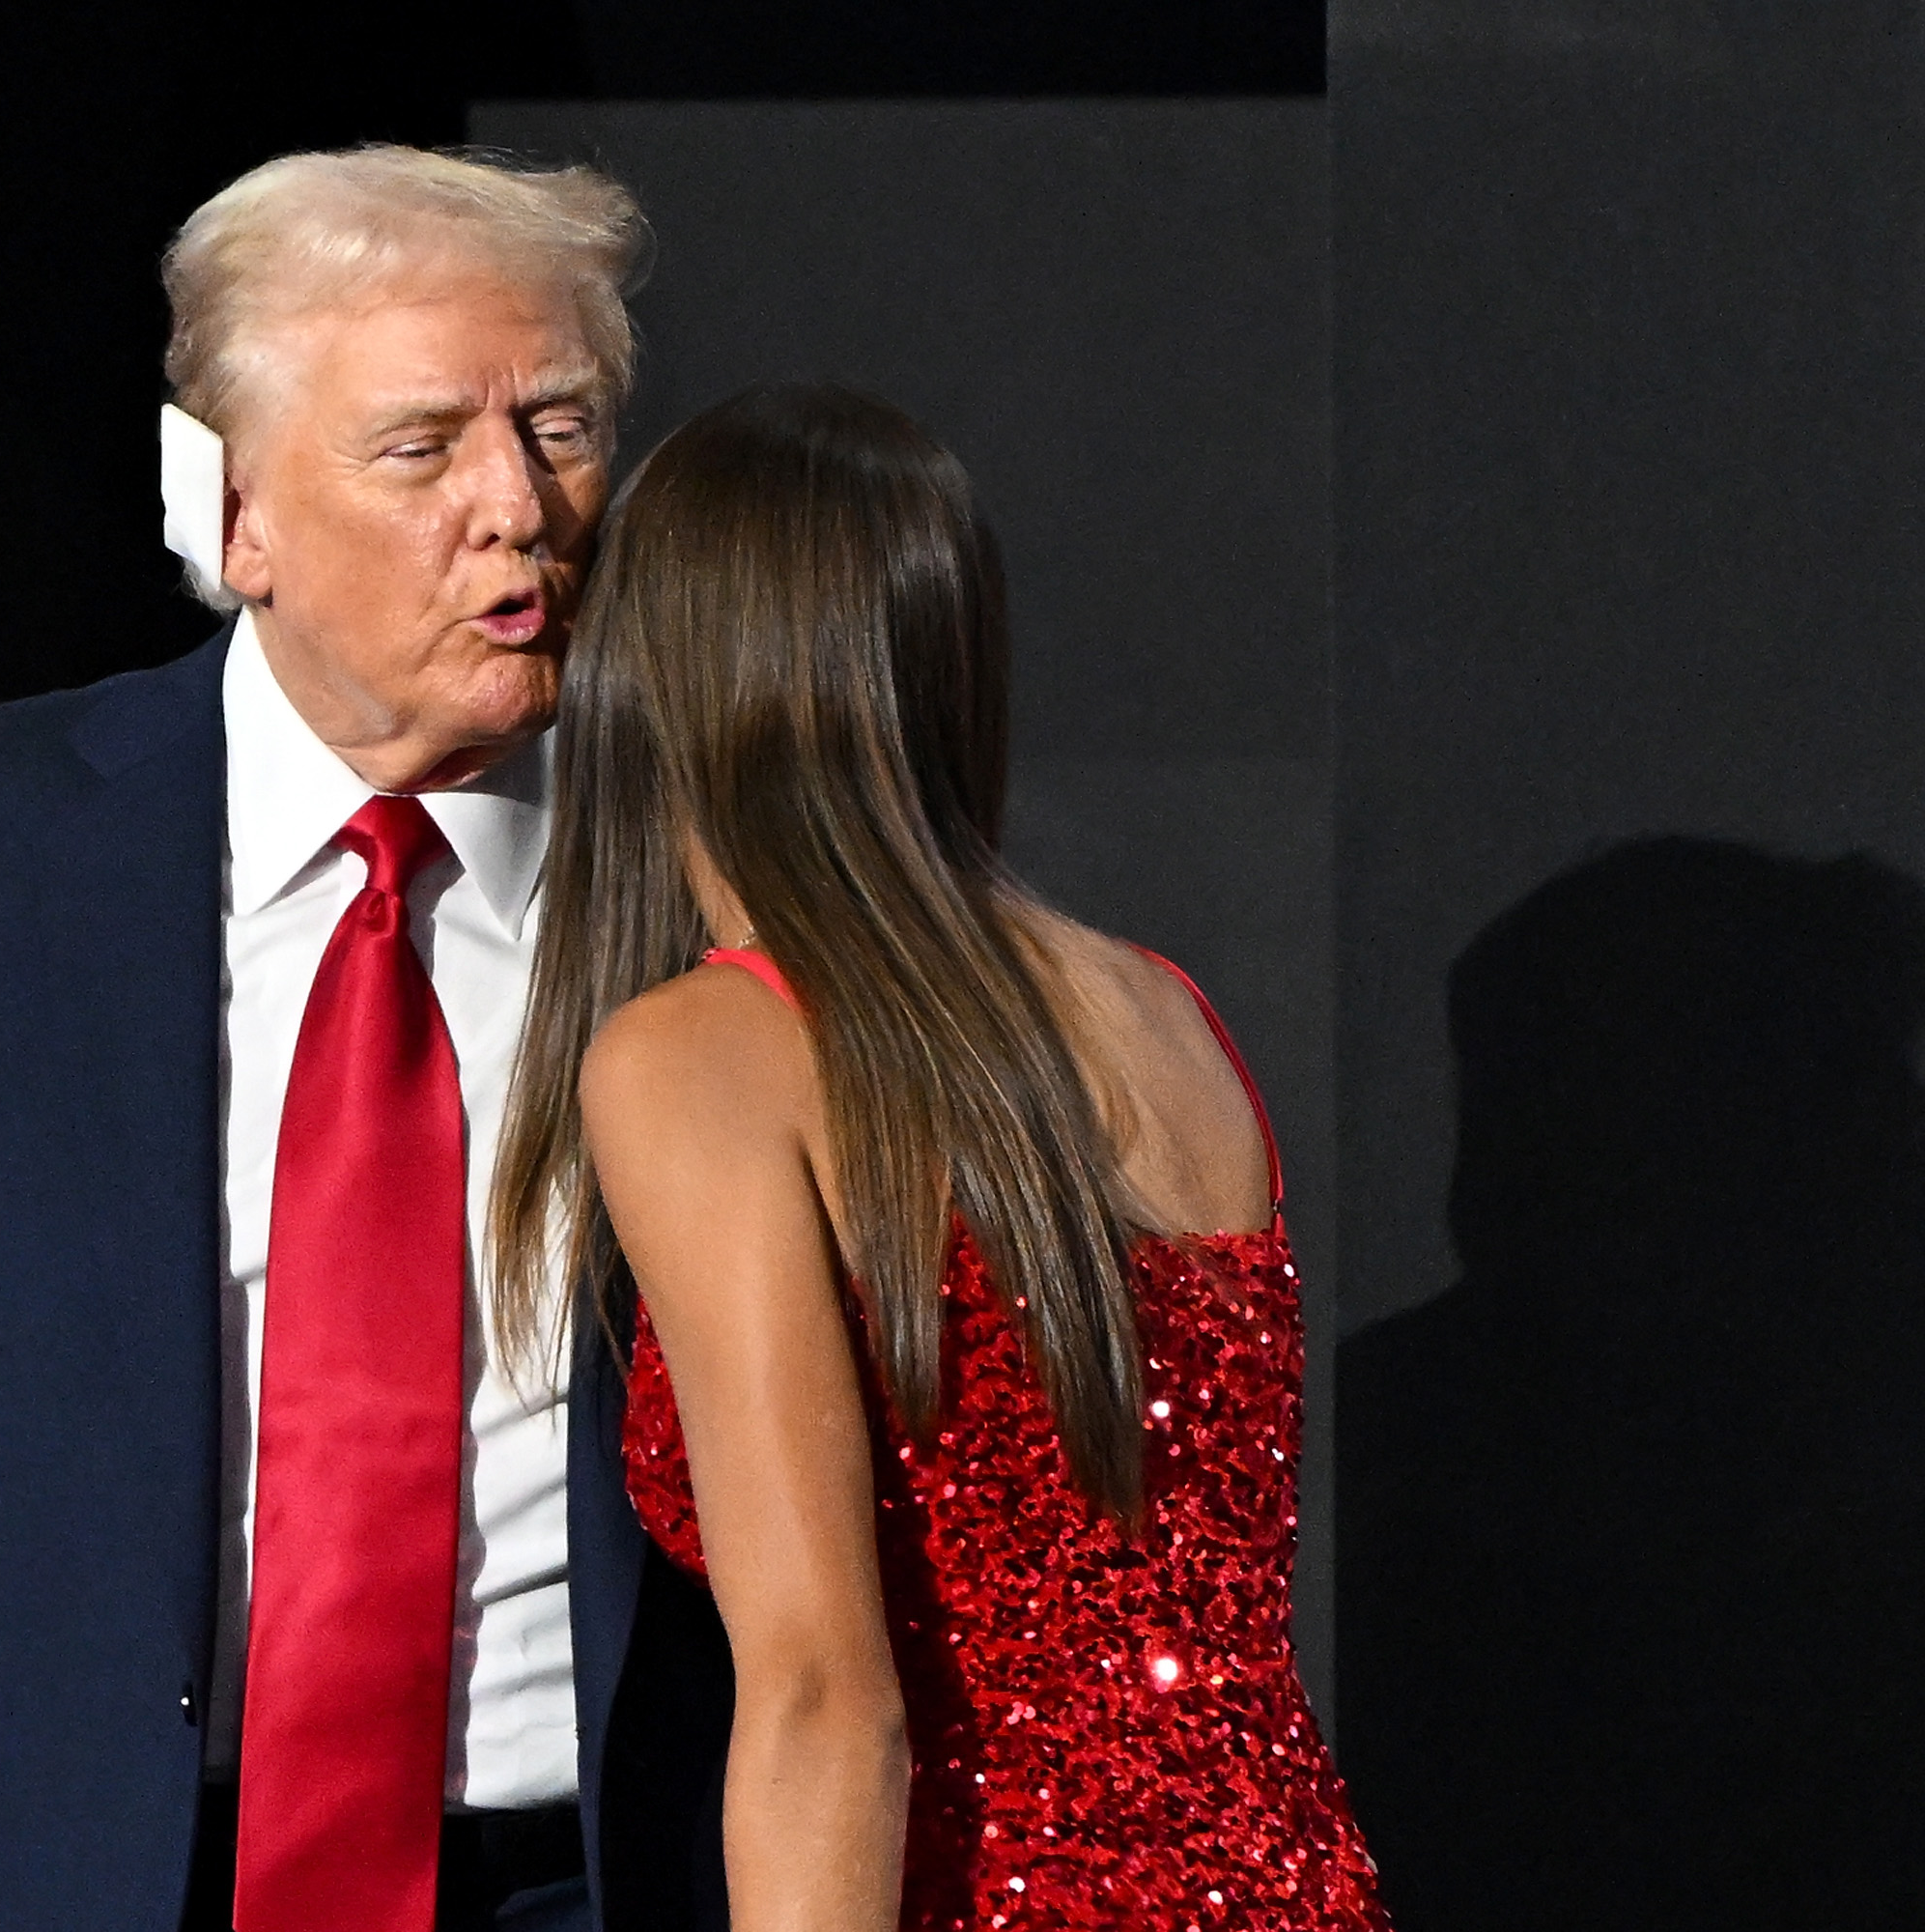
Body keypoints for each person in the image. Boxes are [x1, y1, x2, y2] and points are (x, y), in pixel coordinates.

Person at [0, 146, 731, 1932]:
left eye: (559, 427)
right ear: (235, 513)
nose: (518, 505)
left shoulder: (726, 888)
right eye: (423, 446)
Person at [491, 385, 1389, 1930]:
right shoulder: (1163, 1011)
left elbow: (832, 1704)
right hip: (1290, 1882)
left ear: (656, 667)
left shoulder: (699, 1056)